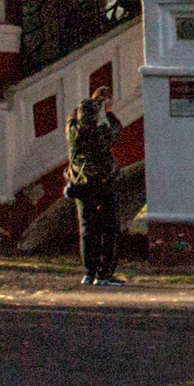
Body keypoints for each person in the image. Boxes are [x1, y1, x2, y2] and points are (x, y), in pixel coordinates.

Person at [69, 96, 125, 284]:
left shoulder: (72, 132)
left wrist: (90, 100)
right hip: (104, 185)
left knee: (87, 229)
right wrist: (108, 111)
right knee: (109, 229)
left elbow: (71, 117)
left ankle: (88, 273)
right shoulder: (101, 134)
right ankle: (104, 274)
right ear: (95, 116)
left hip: (82, 186)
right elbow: (117, 126)